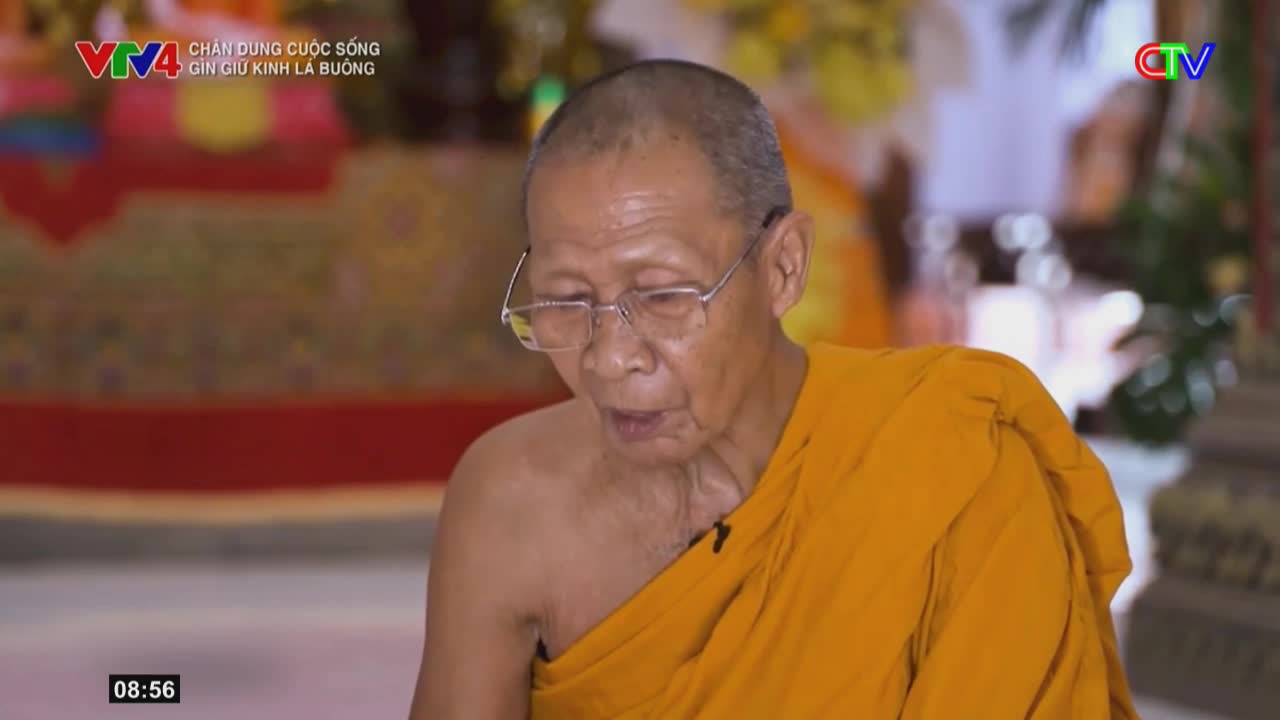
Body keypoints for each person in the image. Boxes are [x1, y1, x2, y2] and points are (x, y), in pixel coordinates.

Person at [409, 59, 1138, 720]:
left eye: (661, 296)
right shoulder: (511, 499)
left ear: (783, 267)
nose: (609, 359)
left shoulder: (958, 464)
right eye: (567, 303)